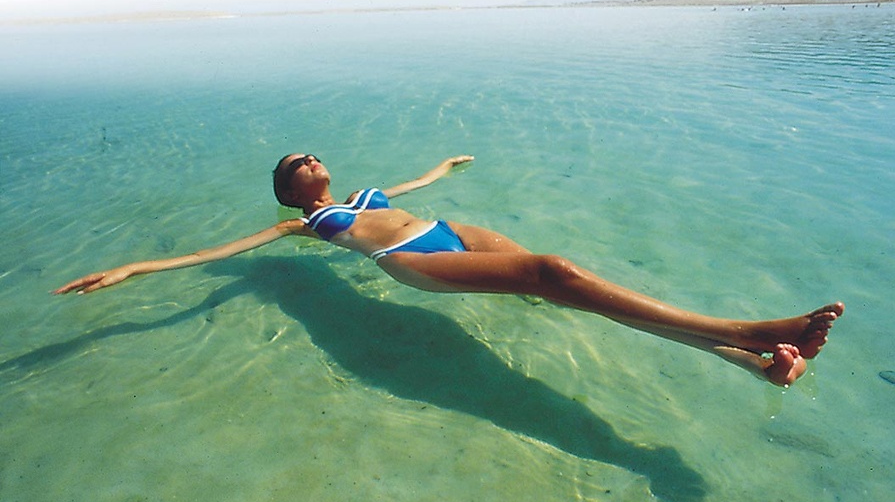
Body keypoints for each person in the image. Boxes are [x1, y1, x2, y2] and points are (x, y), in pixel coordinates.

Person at [55, 154, 844, 387]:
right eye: (298, 166)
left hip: (449, 230)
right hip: (414, 262)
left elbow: (415, 186)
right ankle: (750, 329)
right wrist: (133, 269)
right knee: (557, 271)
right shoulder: (302, 223)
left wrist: (445, 165)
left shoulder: (363, 193)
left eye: (312, 157)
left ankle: (753, 364)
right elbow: (215, 256)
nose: (311, 163)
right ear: (291, 192)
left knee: (570, 295)